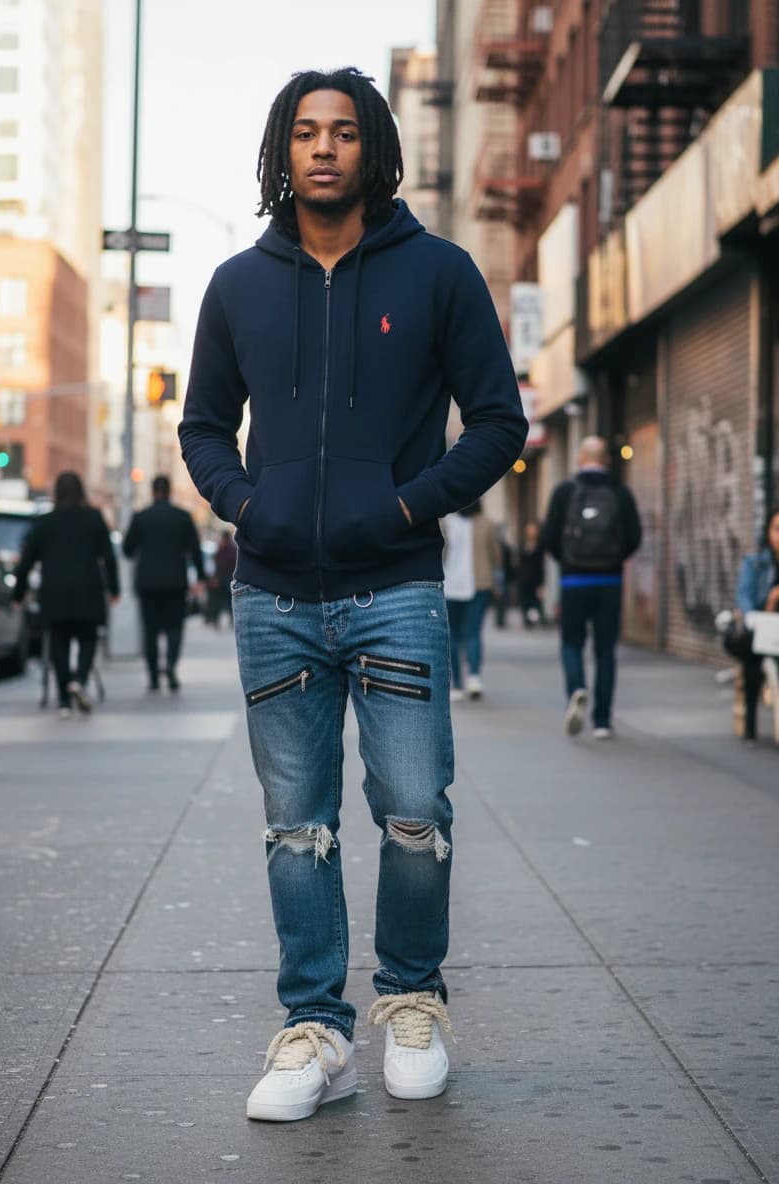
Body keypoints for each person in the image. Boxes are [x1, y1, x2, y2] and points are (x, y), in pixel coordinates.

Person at [178, 66, 526, 1122]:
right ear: (282, 154)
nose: (323, 147)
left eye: (342, 132)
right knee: (297, 825)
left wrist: (409, 508)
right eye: (304, 132)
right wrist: (248, 504)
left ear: (374, 148)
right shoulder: (238, 284)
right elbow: (201, 425)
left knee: (414, 810)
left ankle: (412, 1001)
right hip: (274, 596)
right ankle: (316, 1028)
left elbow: (498, 422)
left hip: (396, 592)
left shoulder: (441, 273)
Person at [541, 436, 641, 739]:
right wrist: (612, 562)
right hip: (609, 582)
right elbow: (634, 537)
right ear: (607, 460)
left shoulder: (565, 492)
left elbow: (549, 538)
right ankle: (602, 722)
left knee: (571, 644)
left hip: (573, 581)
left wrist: (570, 563)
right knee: (605, 651)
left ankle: (576, 691)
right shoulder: (620, 493)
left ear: (580, 459)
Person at [14, 471, 119, 716]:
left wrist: (18, 595)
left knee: (58, 643)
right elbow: (108, 558)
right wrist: (114, 590)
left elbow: (26, 561)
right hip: (87, 589)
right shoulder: (94, 519)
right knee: (88, 638)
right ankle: (79, 681)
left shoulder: (44, 523)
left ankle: (63, 700)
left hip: (54, 591)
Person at [122, 474, 205, 692]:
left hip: (147, 583)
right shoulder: (183, 517)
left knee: (150, 630)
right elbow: (195, 550)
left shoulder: (141, 517)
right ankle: (170, 664)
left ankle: (152, 676)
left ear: (153, 491)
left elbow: (127, 549)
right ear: (169, 491)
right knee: (175, 627)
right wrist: (202, 577)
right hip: (175, 582)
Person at [724, 506, 779, 742]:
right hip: (760, 630)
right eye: (777, 529)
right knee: (753, 653)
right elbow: (745, 601)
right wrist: (772, 600)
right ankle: (750, 722)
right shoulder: (755, 563)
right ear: (768, 532)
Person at [443, 502, 501, 700]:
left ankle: (457, 684)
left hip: (451, 586)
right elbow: (497, 557)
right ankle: (474, 677)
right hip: (479, 585)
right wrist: (498, 582)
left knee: (453, 635)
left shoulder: (445, 523)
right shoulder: (488, 524)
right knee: (473, 632)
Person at [206, 529, 238, 627]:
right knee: (227, 601)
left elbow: (216, 567)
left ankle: (217, 620)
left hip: (223, 579)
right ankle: (226, 620)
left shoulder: (221, 551)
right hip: (228, 579)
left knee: (220, 601)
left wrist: (214, 578)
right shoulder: (233, 550)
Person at [517, 521, 546, 628]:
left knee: (536, 601)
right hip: (523, 578)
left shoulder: (540, 545)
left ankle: (539, 619)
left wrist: (542, 583)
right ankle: (527, 621)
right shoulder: (522, 544)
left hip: (536, 578)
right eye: (529, 529)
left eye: (533, 529)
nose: (531, 531)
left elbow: (541, 565)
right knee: (525, 601)